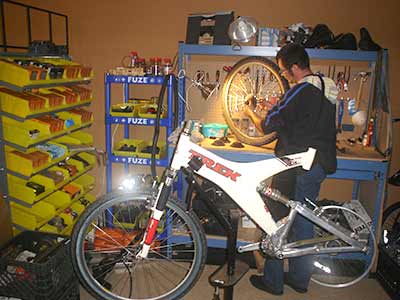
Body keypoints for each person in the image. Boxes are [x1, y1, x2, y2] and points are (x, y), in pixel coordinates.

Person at [244, 43, 338, 295]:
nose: (285, 75)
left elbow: (267, 125)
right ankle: (299, 280)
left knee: (276, 219)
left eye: (285, 71)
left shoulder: (302, 89)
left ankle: (273, 282)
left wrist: (250, 112)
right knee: (303, 221)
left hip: (296, 165)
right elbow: (300, 120)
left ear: (295, 67)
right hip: (319, 164)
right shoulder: (325, 86)